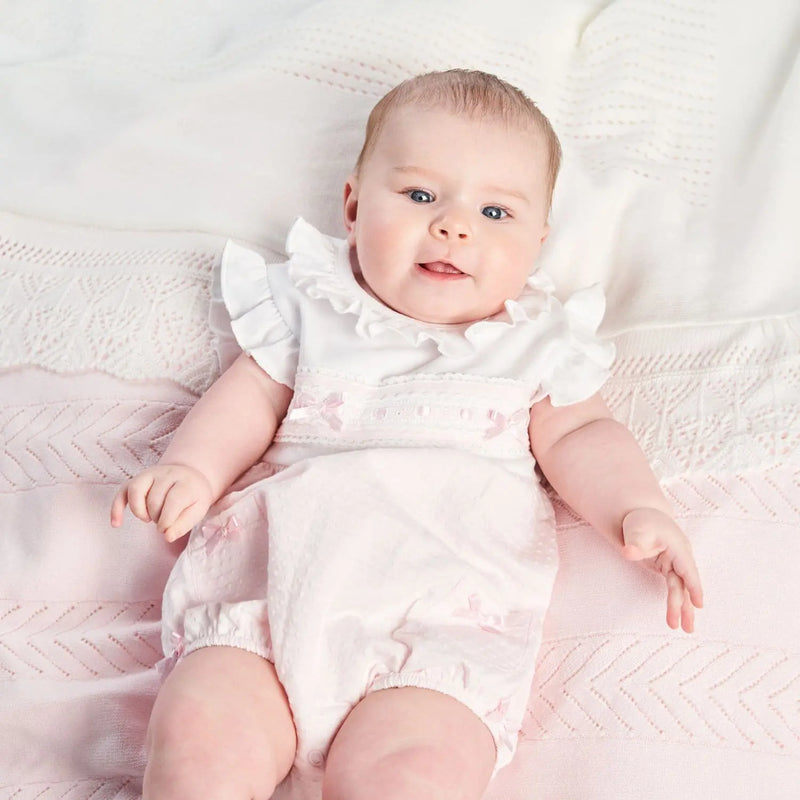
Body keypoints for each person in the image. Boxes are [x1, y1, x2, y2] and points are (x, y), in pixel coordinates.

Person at [111, 69, 703, 800]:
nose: (455, 226)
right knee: (201, 738)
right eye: (421, 196)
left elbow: (583, 432)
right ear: (353, 207)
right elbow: (249, 398)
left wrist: (638, 509)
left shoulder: (537, 345)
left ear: (536, 244)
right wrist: (193, 470)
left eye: (495, 212)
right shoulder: (311, 304)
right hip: (269, 599)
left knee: (414, 775)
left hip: (439, 629)